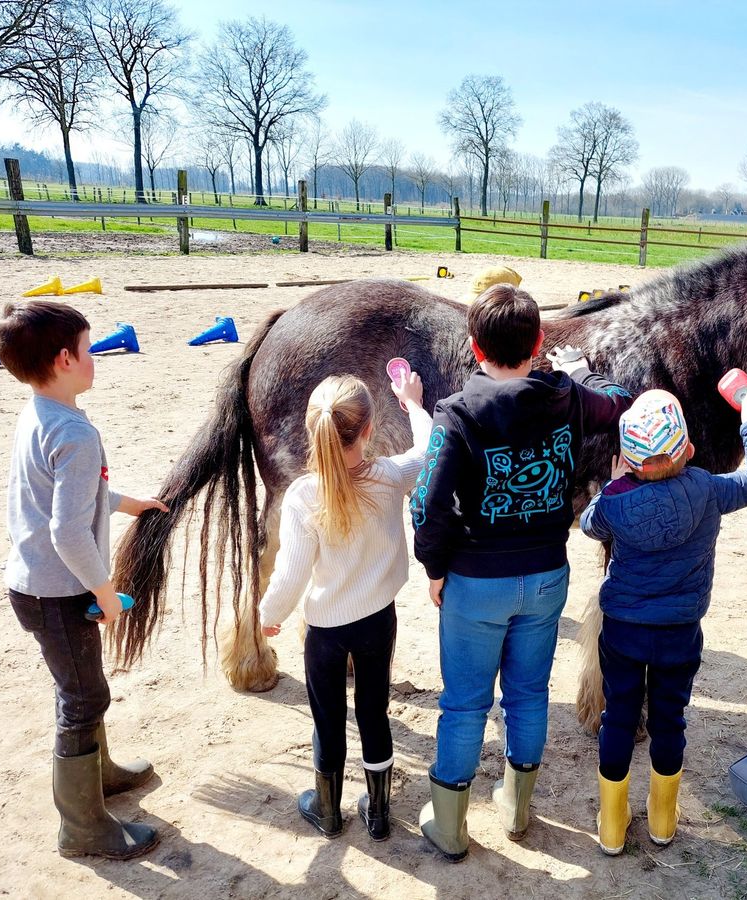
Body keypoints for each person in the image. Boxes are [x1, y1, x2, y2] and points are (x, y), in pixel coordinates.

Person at [411, 283, 633, 861]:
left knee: (464, 703)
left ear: (472, 345)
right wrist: (579, 376)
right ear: (539, 342)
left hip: (475, 579)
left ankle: (451, 827)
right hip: (545, 575)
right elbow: (619, 399)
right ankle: (516, 806)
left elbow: (426, 505)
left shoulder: (455, 415)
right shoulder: (569, 398)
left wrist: (435, 567)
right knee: (529, 695)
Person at [0, 300, 168, 860]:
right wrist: (102, 593)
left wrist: (126, 502)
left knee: (81, 686)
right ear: (66, 358)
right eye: (91, 349)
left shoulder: (41, 412)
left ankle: (102, 774)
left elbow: (70, 494)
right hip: (58, 589)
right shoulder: (75, 433)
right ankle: (83, 828)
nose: (96, 359)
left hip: (38, 583)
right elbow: (68, 530)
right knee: (83, 696)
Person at [579, 388, 747, 854]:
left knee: (618, 718)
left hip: (624, 631)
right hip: (680, 633)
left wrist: (615, 484)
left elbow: (590, 524)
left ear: (629, 464)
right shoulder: (710, 490)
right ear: (688, 450)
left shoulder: (614, 501)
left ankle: (612, 825)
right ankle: (663, 820)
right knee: (670, 720)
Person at [259, 371, 431, 842]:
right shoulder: (390, 476)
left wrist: (269, 616)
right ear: (370, 429)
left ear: (312, 429)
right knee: (374, 713)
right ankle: (378, 814)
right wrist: (412, 403)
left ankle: (328, 811)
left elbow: (291, 574)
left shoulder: (302, 496)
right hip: (378, 618)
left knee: (327, 720)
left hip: (325, 631)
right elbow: (427, 447)